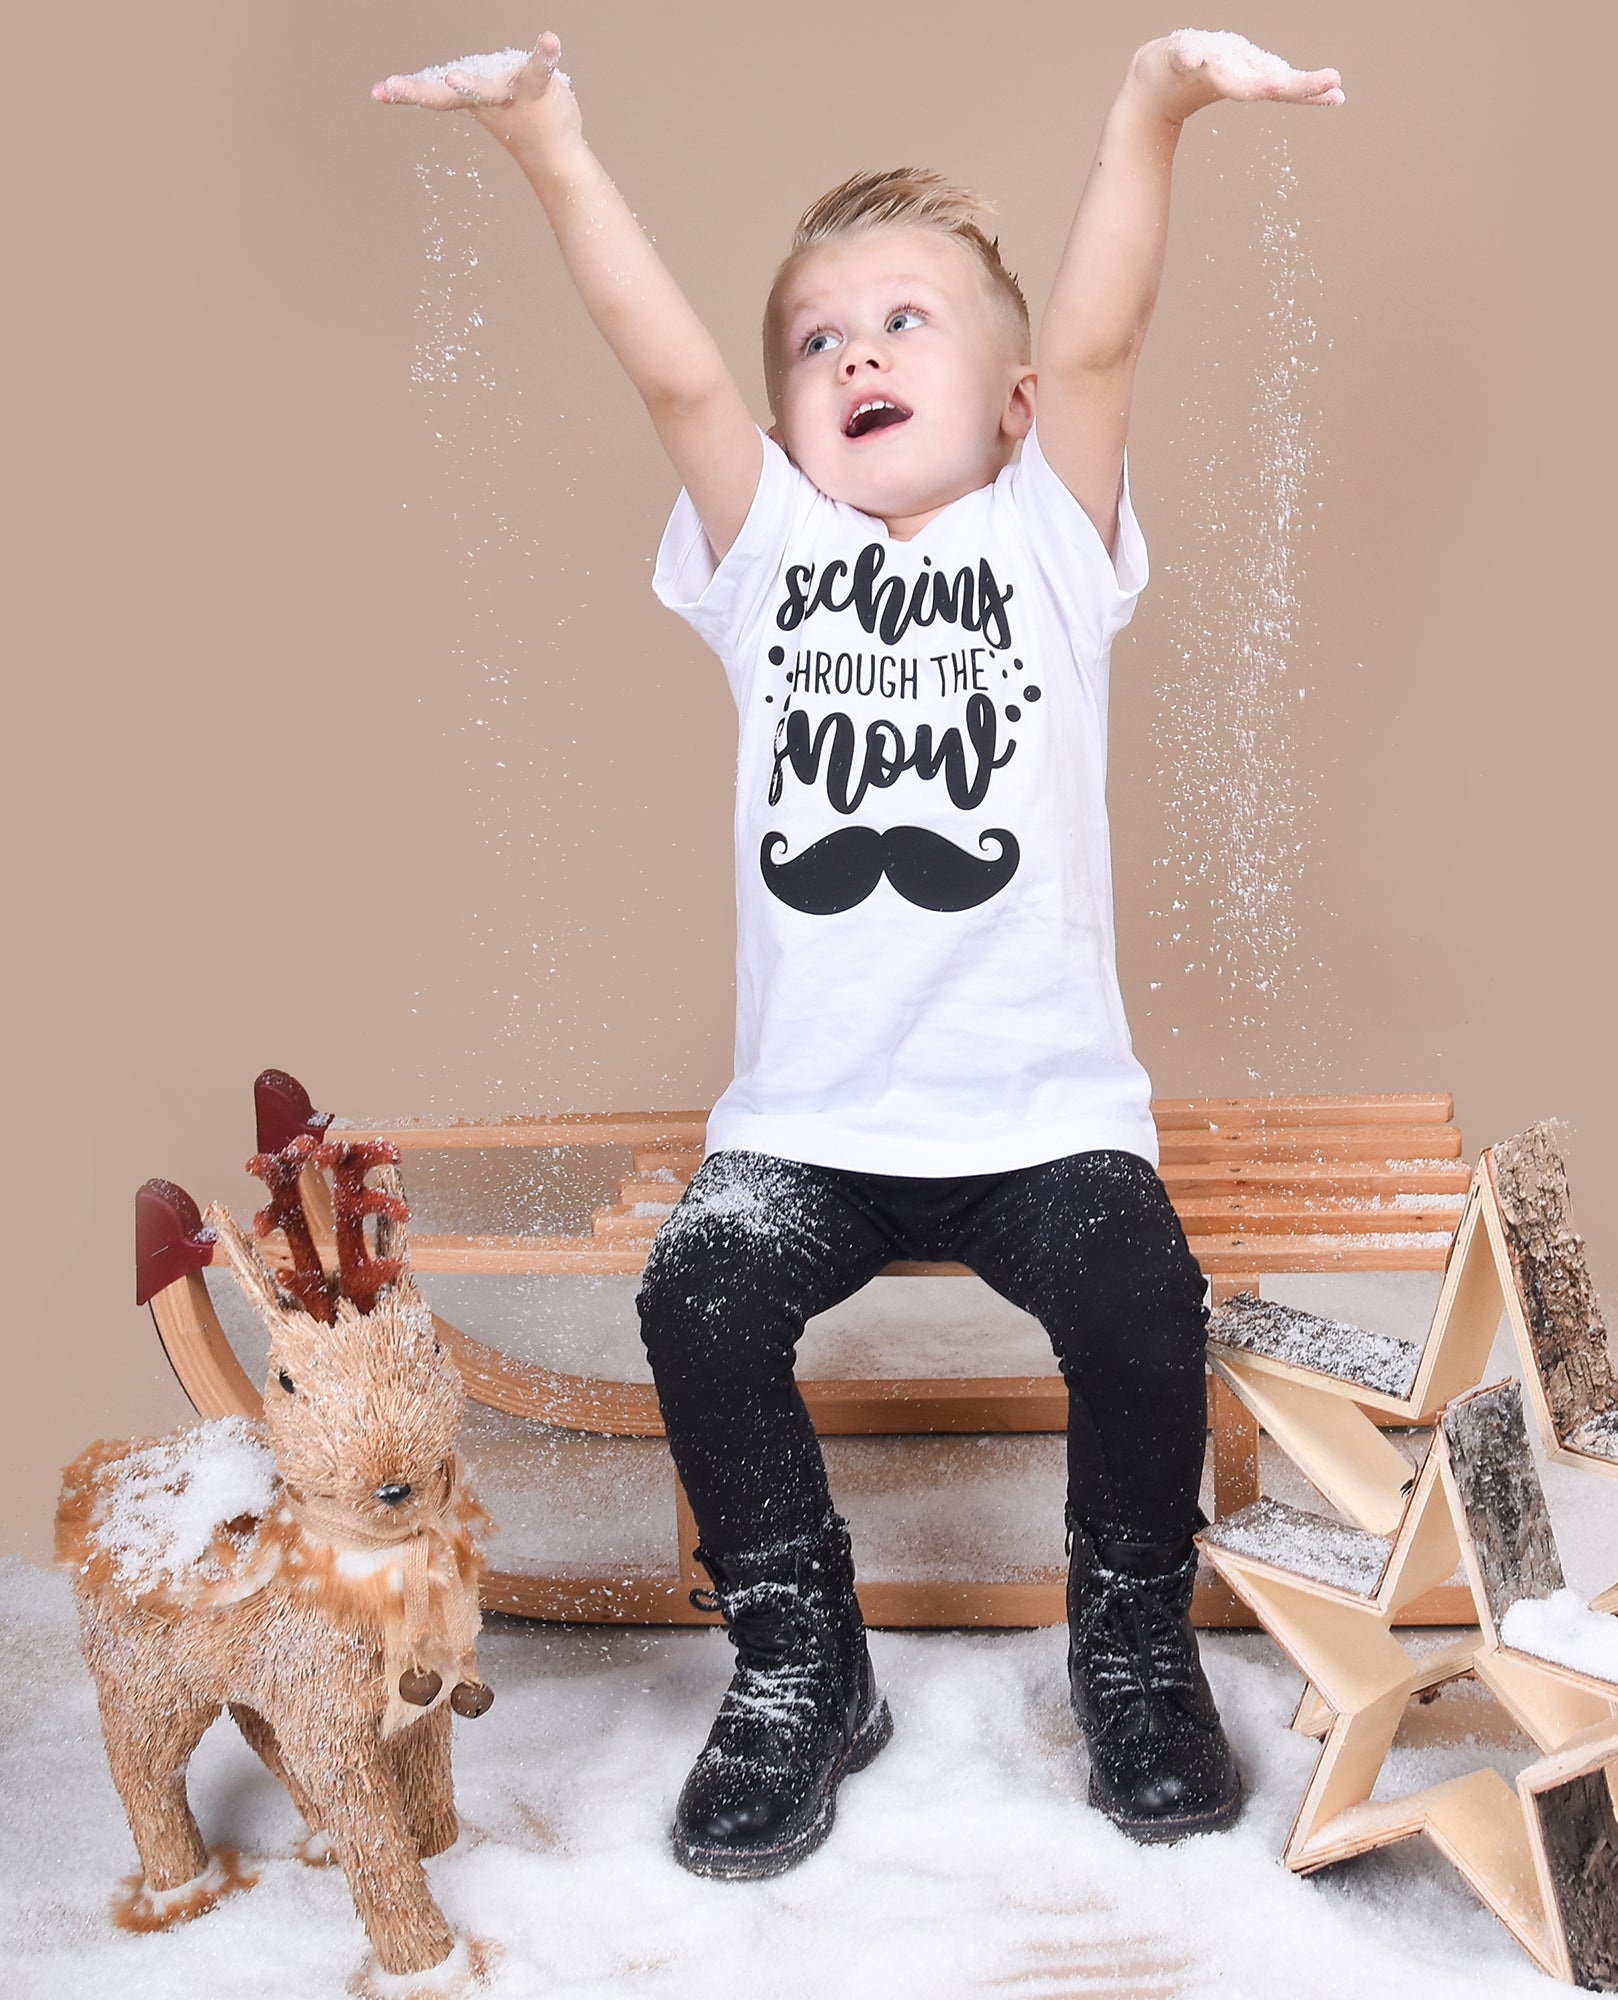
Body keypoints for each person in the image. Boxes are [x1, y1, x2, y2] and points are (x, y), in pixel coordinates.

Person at [375, 26, 1342, 1879]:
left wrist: (1152, 107)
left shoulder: (1051, 542)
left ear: (1012, 403)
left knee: (1142, 1309)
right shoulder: (772, 555)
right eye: (818, 342)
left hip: (1044, 1117)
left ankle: (1131, 1635)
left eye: (906, 324)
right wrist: (549, 145)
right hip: (812, 1121)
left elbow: (1116, 331)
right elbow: (668, 375)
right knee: (701, 1298)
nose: (858, 356)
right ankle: (799, 1659)